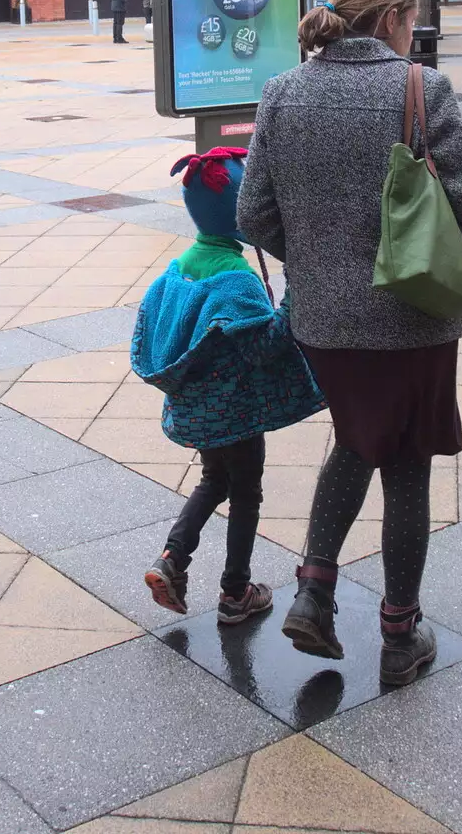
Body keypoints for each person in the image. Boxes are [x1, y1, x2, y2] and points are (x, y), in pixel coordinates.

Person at [237, 0, 462, 686]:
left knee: (355, 439)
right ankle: (399, 631)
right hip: (414, 319)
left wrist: (318, 266)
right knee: (406, 464)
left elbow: (253, 214)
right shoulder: (421, 89)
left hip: (323, 325)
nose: (412, 34)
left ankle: (315, 593)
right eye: (410, 20)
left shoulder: (282, 93)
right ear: (390, 19)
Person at [134, 147, 325, 624]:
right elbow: (265, 347)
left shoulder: (179, 267)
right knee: (245, 494)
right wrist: (294, 295)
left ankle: (172, 559)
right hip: (235, 412)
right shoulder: (235, 278)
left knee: (213, 479)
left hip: (196, 410)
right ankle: (236, 593)